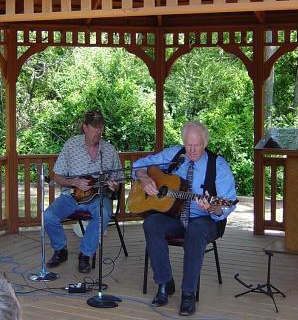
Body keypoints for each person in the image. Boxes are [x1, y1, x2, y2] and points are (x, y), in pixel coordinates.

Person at [133, 120, 237, 316]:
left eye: (197, 145)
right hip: (175, 216)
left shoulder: (218, 165)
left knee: (195, 231)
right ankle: (164, 283)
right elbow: (140, 164)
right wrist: (144, 177)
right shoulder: (174, 154)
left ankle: (188, 294)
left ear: (205, 143)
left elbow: (227, 204)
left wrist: (212, 206)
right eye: (188, 145)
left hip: (205, 221)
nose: (192, 150)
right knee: (152, 223)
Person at [44, 110, 123, 273]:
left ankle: (85, 255)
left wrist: (114, 186)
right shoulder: (71, 146)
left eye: (101, 127)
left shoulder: (109, 150)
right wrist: (74, 182)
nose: (99, 131)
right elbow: (57, 176)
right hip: (71, 196)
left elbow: (118, 180)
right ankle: (60, 250)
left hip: (97, 198)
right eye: (95, 127)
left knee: (103, 215)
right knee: (48, 216)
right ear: (85, 128)